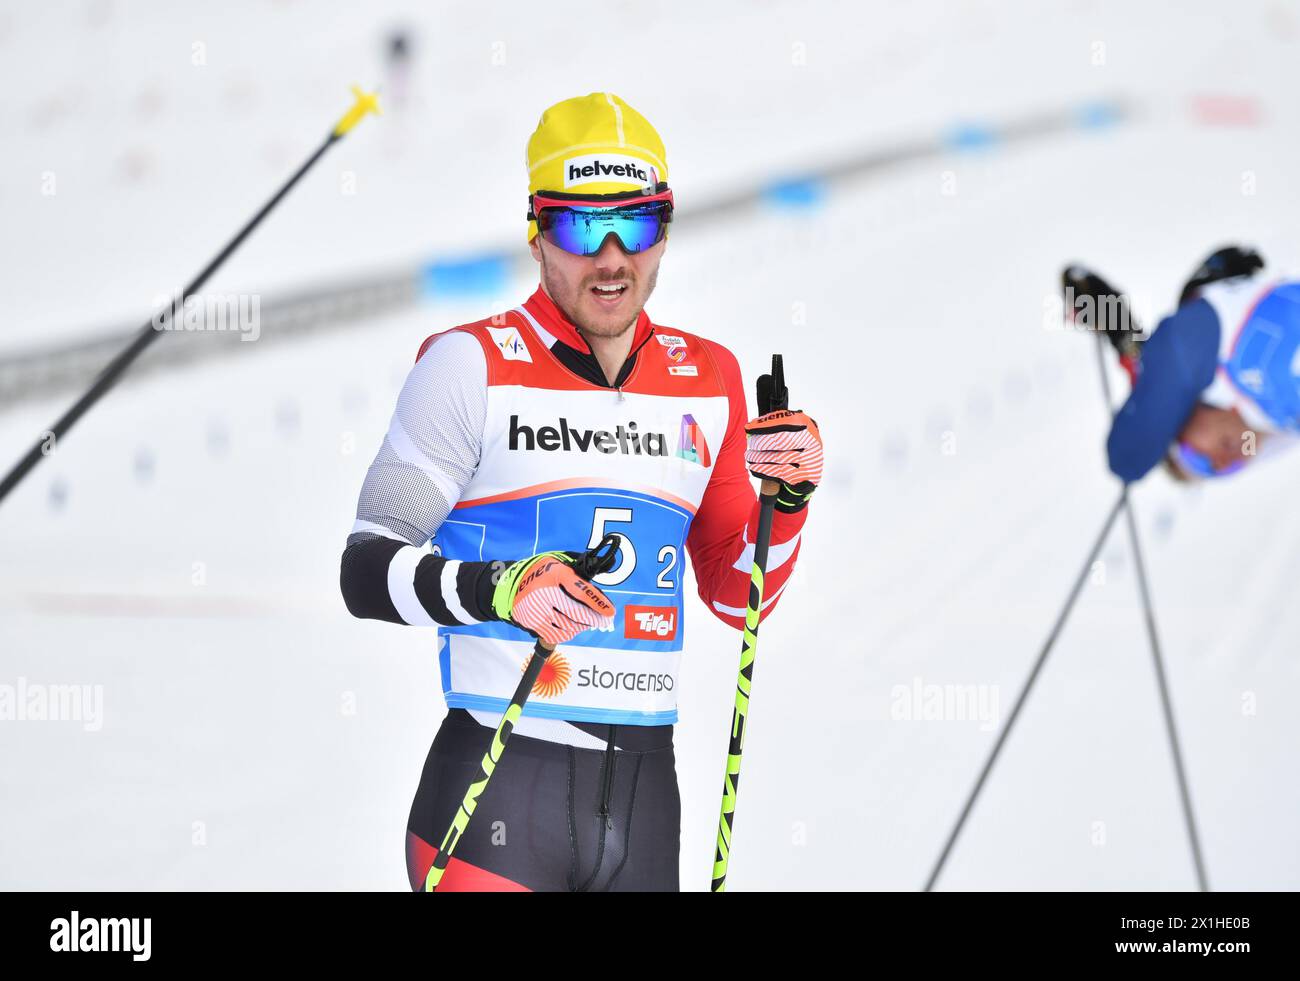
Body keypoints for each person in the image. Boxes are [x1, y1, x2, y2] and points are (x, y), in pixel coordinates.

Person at [339, 92, 825, 891]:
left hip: (645, 798)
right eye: (577, 226)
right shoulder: (467, 366)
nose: (610, 257)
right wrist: (499, 589)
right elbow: (365, 568)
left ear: (664, 231)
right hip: (498, 787)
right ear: (536, 230)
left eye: (635, 225)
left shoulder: (710, 381)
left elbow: (742, 595)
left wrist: (789, 503)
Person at [1065, 246, 1300, 482]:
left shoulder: (1202, 345)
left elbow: (1128, 457)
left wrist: (1131, 349)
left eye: (1199, 461)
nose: (1221, 462)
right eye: (1224, 471)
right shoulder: (1269, 418)